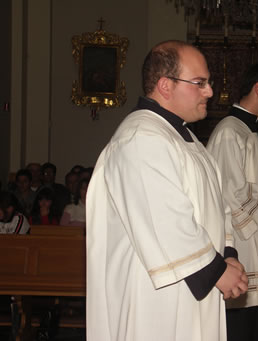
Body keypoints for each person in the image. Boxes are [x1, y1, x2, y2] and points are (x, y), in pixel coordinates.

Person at [86, 40, 248, 341]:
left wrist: (227, 254)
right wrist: (216, 272)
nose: (210, 92)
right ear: (165, 85)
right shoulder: (140, 137)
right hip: (156, 297)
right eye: (199, 83)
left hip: (193, 283)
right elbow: (164, 219)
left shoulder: (183, 137)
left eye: (208, 83)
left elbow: (215, 205)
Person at [207, 61, 258, 341]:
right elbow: (228, 193)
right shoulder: (230, 132)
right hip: (238, 246)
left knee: (257, 324)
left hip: (253, 242)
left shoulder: (245, 130)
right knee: (241, 326)